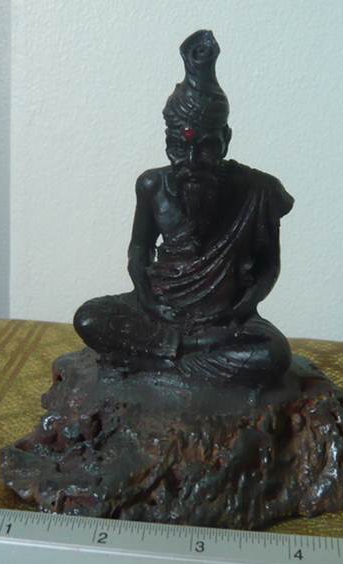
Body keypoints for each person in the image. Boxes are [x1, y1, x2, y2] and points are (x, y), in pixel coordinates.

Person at [74, 30, 293, 382]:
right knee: (89, 317)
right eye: (178, 147)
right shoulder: (152, 185)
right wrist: (148, 301)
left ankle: (158, 361)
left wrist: (241, 309)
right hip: (163, 311)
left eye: (205, 147)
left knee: (273, 354)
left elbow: (269, 265)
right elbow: (139, 250)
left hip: (224, 318)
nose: (190, 161)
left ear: (225, 141)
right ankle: (187, 357)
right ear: (168, 142)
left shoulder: (259, 191)